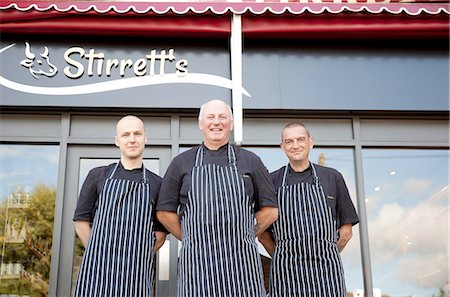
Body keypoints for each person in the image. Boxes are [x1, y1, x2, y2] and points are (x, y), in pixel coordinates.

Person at [156, 99, 279, 297]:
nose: (216, 122)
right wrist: (190, 237)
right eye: (210, 117)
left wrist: (248, 233)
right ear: (201, 123)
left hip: (242, 271)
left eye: (223, 117)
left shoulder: (251, 161)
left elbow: (271, 211)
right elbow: (164, 212)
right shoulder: (182, 162)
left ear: (230, 124)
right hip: (197, 270)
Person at [259, 121, 359, 297]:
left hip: (328, 276)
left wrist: (327, 255)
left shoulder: (332, 177)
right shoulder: (271, 181)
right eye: (289, 141)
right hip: (286, 278)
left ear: (310, 142)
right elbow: (262, 233)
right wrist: (282, 257)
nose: (295, 145)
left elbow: (346, 232)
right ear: (282, 146)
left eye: (300, 139)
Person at [72, 115, 167, 297]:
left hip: (136, 276)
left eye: (137, 134)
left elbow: (160, 234)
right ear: (117, 141)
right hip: (96, 274)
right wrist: (98, 254)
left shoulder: (158, 184)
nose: (132, 139)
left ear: (145, 138)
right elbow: (81, 222)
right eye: (126, 135)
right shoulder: (97, 176)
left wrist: (138, 257)